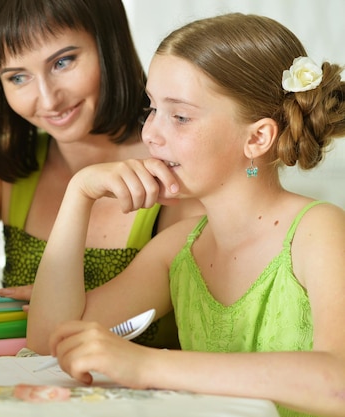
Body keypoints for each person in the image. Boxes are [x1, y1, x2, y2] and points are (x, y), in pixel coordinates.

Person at [26, 13, 345, 417]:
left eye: (179, 116)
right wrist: (80, 194)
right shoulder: (179, 249)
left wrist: (148, 365)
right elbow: (47, 340)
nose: (150, 135)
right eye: (152, 109)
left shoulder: (319, 232)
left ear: (258, 138)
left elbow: (339, 382)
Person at [0, 0, 203, 348]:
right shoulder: (9, 164)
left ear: (108, 44)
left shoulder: (176, 175)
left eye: (63, 62)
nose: (48, 99)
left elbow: (60, 333)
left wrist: (54, 301)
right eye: (18, 77)